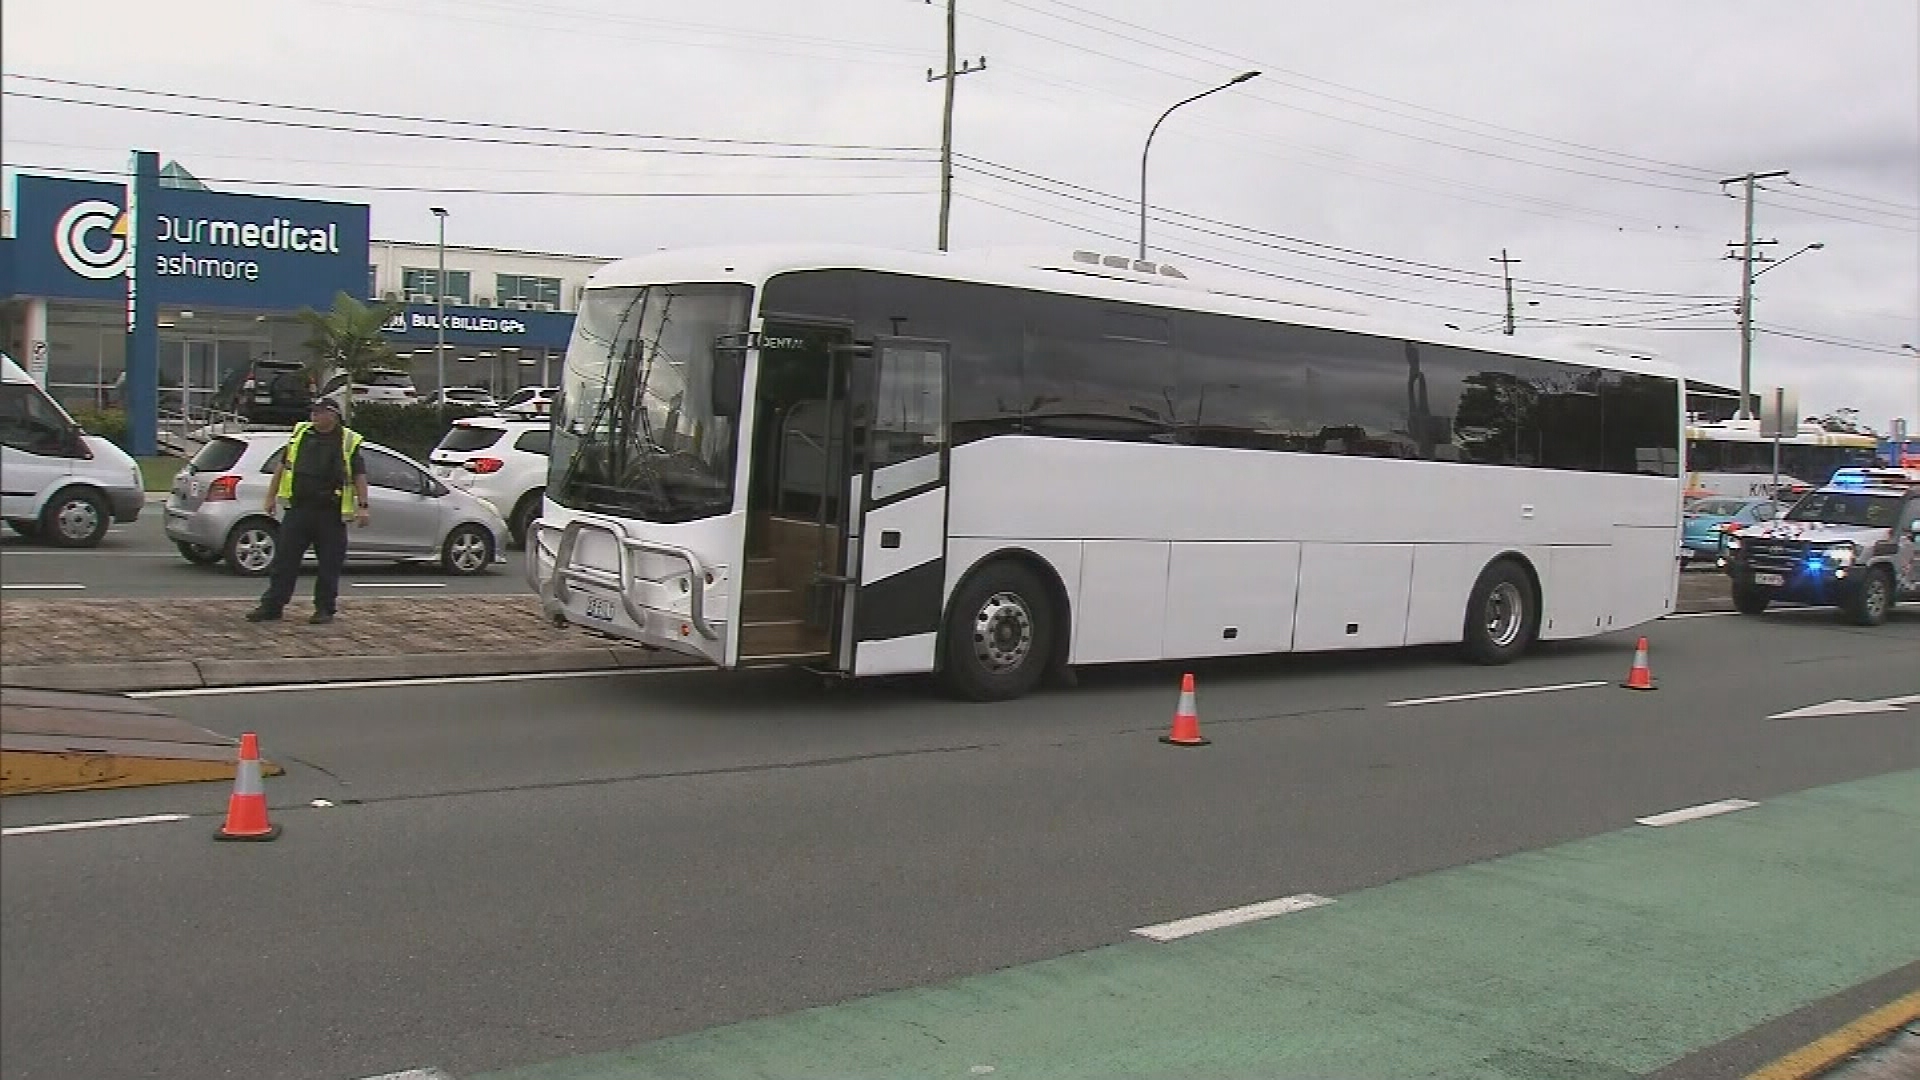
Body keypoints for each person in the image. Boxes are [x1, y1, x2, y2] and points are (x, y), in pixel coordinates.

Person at [246, 397, 370, 624]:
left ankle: (324, 609)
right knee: (284, 561)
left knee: (329, 565)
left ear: (333, 415)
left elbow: (359, 476)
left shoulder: (347, 440)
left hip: (330, 513)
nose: (314, 416)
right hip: (299, 509)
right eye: (313, 411)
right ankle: (272, 606)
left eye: (320, 412)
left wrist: (363, 506)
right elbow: (283, 467)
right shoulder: (301, 433)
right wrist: (270, 497)